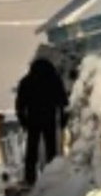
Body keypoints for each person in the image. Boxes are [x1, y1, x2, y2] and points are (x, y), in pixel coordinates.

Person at [15, 56, 68, 186]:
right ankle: (52, 176)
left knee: (31, 150)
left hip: (33, 119)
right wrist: (63, 120)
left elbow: (20, 105)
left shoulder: (27, 81)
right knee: (52, 148)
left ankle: (30, 178)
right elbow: (63, 102)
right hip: (49, 118)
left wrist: (23, 121)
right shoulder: (54, 80)